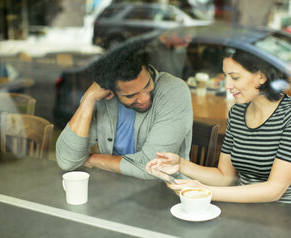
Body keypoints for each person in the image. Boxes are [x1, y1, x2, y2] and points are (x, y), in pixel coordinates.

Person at [146, 48, 291, 206]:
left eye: (235, 77)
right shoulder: (238, 112)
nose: (227, 85)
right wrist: (180, 164)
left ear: (261, 77)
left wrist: (203, 190)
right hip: (247, 208)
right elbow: (224, 176)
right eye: (226, 76)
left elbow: (274, 190)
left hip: (288, 212)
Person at [56, 40, 193, 179]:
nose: (144, 98)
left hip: (164, 192)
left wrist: (94, 160)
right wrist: (88, 99)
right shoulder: (102, 98)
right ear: (110, 91)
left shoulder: (174, 91)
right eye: (131, 95)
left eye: (147, 86)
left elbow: (153, 168)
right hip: (114, 188)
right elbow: (67, 161)